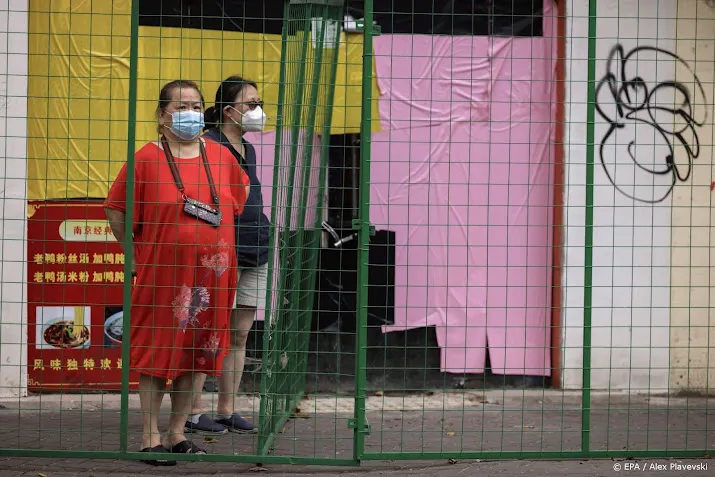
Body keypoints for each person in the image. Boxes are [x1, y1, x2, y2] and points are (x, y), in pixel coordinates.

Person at [104, 79, 251, 464]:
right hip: (162, 276)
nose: (191, 113)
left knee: (198, 355)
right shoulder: (145, 159)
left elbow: (240, 197)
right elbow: (116, 210)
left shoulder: (221, 156)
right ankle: (149, 436)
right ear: (162, 115)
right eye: (181, 106)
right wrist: (133, 255)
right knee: (156, 354)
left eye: (197, 106)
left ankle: (177, 433)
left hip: (212, 279)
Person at [185, 75, 270, 435]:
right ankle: (192, 411)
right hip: (221, 251)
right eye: (251, 104)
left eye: (258, 104)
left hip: (256, 247)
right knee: (208, 331)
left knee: (239, 334)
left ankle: (226, 409)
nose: (257, 110)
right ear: (228, 110)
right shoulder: (207, 144)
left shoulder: (247, 148)